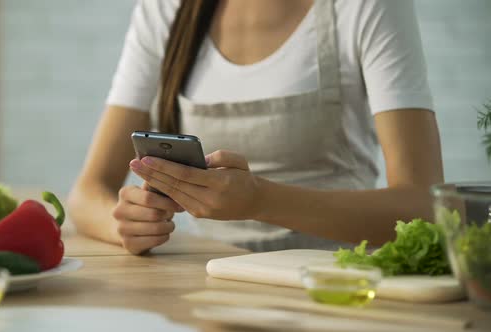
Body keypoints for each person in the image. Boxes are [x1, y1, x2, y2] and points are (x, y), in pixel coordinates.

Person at [68, 0, 443, 254]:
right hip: (206, 284)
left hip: (331, 285)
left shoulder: (365, 7)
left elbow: (423, 206)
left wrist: (260, 201)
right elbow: (87, 195)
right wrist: (128, 224)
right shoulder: (166, 10)